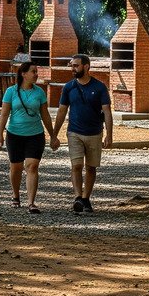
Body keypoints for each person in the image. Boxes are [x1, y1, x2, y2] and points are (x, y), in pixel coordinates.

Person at [52, 54, 113, 214]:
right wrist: (54, 134)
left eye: (76, 65)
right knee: (76, 165)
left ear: (86, 67)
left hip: (95, 133)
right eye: (72, 65)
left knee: (91, 168)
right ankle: (78, 197)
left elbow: (106, 111)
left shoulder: (100, 87)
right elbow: (62, 111)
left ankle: (86, 198)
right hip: (74, 132)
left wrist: (109, 134)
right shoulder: (68, 87)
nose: (73, 68)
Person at [0, 62, 53, 213]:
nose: (36, 74)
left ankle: (31, 202)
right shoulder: (11, 91)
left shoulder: (39, 92)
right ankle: (15, 195)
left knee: (32, 166)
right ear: (23, 73)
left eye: (37, 71)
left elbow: (45, 115)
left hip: (35, 134)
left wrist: (53, 135)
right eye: (33, 71)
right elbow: (4, 114)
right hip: (14, 134)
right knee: (16, 167)